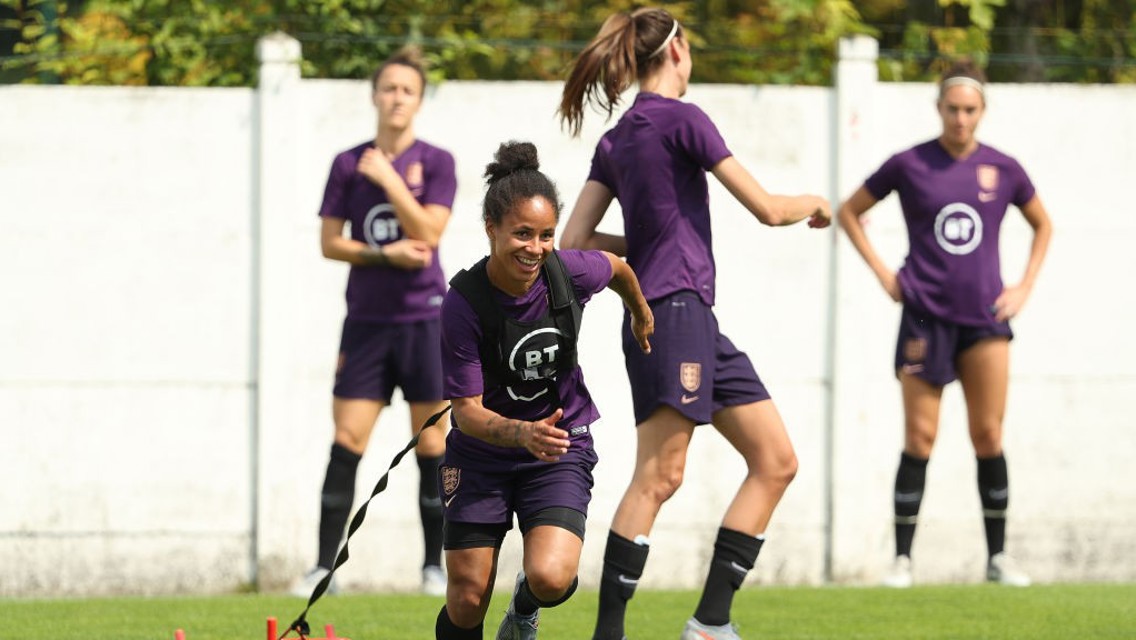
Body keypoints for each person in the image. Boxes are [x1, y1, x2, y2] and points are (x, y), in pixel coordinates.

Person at [557, 8, 831, 640]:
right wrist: (815, 203)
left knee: (776, 459)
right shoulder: (684, 118)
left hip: (693, 319)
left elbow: (573, 239)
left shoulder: (619, 135)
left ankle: (710, 624)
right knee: (660, 475)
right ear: (676, 51)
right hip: (670, 312)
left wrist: (649, 240)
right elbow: (765, 207)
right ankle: (608, 634)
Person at [836, 60, 1053, 588]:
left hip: (984, 321)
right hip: (923, 317)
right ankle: (903, 561)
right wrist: (886, 275)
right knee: (920, 437)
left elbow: (1043, 224)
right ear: (939, 108)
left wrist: (1023, 286)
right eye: (953, 109)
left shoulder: (1004, 169)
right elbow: (849, 211)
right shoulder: (909, 164)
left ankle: (997, 559)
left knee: (988, 434)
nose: (961, 119)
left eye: (970, 110)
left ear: (982, 111)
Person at [433, 141, 653, 640]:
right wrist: (519, 432)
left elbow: (617, 268)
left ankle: (525, 607)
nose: (534, 248)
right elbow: (465, 413)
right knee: (467, 599)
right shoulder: (463, 303)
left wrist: (639, 311)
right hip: (481, 454)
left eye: (546, 235)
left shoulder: (568, 272)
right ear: (491, 228)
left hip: (558, 448)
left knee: (552, 577)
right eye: (522, 234)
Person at [291, 46, 456, 598]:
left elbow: (430, 236)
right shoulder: (346, 163)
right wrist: (383, 255)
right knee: (347, 439)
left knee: (433, 444)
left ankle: (436, 567)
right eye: (388, 88)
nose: (397, 98)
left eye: (407, 90)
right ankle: (323, 569)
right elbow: (328, 243)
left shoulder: (436, 162)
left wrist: (389, 180)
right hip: (366, 324)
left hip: (426, 322)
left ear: (420, 100)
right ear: (374, 96)